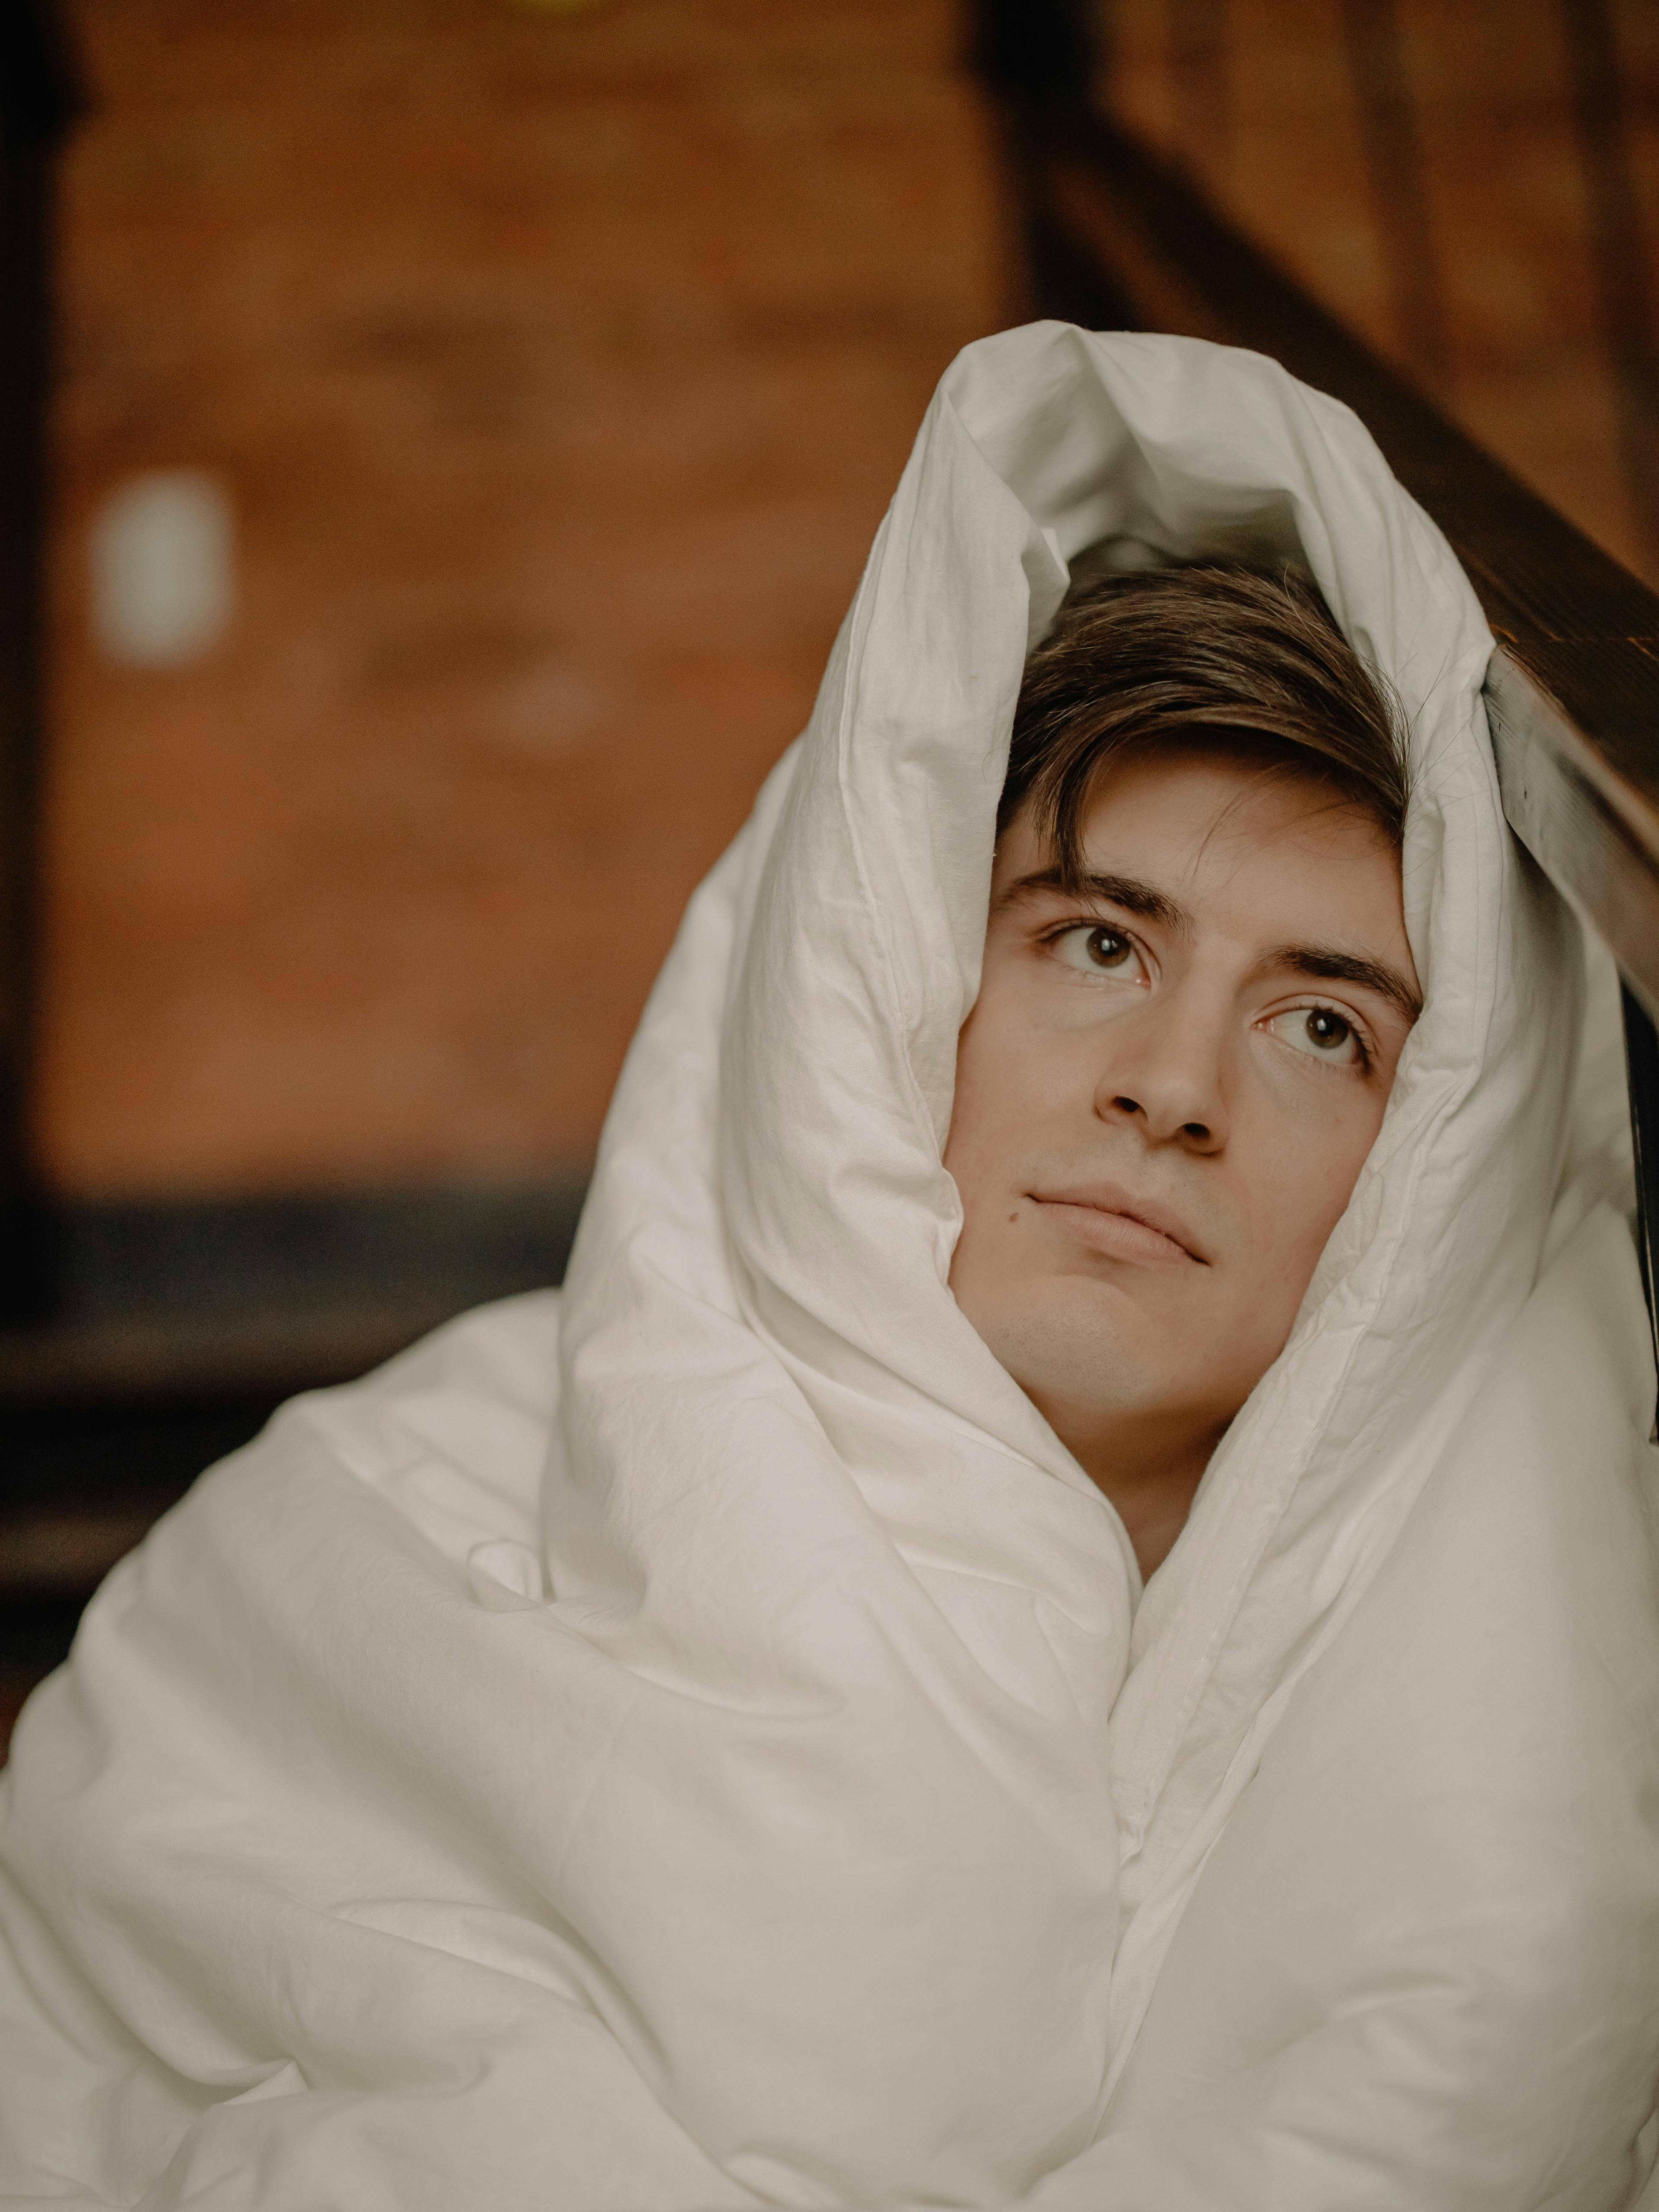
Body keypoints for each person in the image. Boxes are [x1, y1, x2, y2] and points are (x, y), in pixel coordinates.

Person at [2, 322, 1657, 2211]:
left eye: (1324, 1028)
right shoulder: (387, 1513)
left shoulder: (1517, 1696)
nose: (1173, 1087)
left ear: (1430, 1169)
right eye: (1102, 942)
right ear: (895, 993)